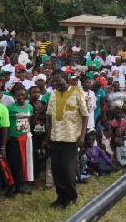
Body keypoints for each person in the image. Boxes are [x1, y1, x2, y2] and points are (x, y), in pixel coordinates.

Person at [44, 70, 88, 209]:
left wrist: (82, 136)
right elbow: (49, 117)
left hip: (71, 138)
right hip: (55, 138)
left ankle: (71, 197)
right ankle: (61, 197)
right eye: (53, 81)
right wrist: (47, 137)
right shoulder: (53, 94)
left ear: (65, 78)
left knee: (68, 171)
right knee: (57, 170)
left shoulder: (76, 92)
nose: (54, 83)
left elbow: (85, 115)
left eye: (57, 80)